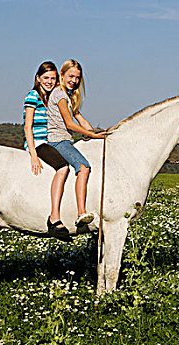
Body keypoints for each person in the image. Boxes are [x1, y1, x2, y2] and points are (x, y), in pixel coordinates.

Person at [47, 59, 106, 227]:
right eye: (71, 76)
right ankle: (81, 211)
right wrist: (92, 136)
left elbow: (79, 118)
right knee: (84, 166)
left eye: (77, 77)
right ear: (62, 75)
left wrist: (96, 133)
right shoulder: (59, 95)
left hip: (65, 139)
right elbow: (69, 123)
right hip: (58, 140)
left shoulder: (69, 95)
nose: (74, 80)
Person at [23, 61, 71, 242]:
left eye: (52, 78)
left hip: (50, 141)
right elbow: (28, 127)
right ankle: (54, 217)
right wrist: (34, 154)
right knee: (62, 167)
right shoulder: (33, 96)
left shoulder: (49, 99)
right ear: (38, 78)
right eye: (46, 78)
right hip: (39, 142)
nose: (49, 82)